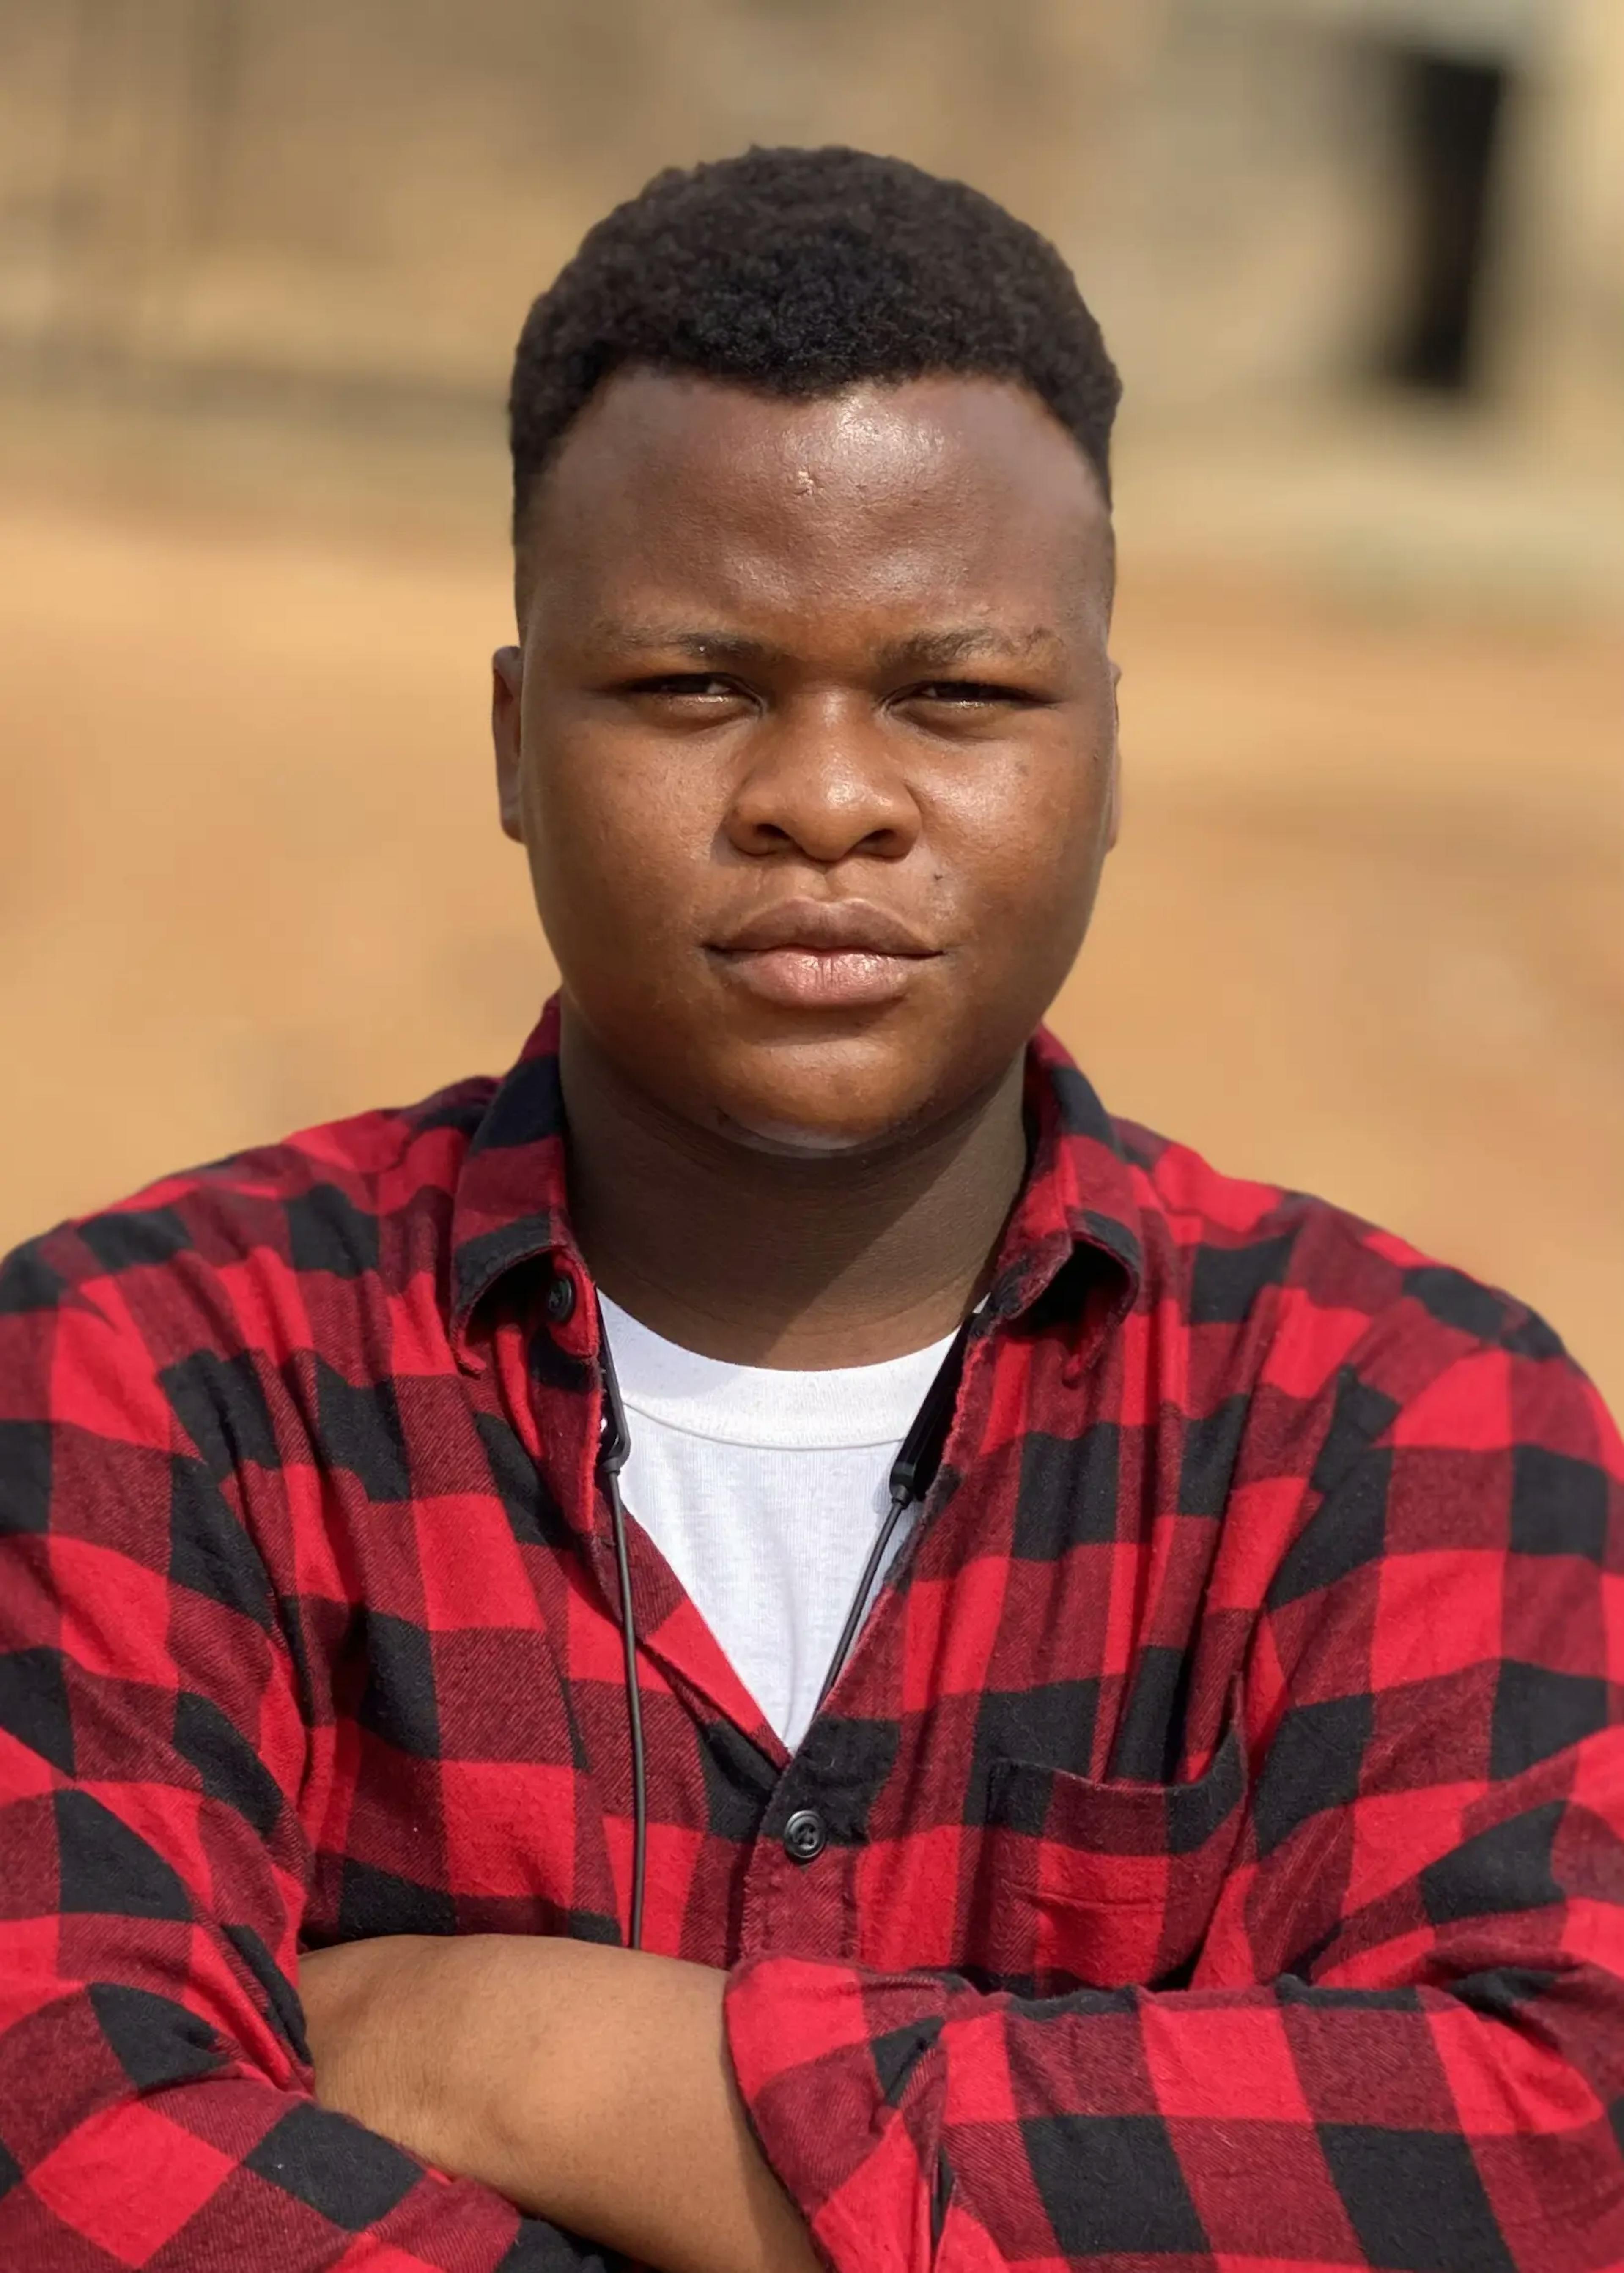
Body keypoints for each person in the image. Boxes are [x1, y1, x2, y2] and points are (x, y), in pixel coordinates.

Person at [0, 144, 1620, 2273]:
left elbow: (1537, 2147)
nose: (827, 797)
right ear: (512, 741)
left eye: (957, 697)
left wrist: (536, 2059)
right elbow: (70, 2142)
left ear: (1107, 751)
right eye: (694, 689)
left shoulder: (1410, 1422)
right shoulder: (149, 1377)